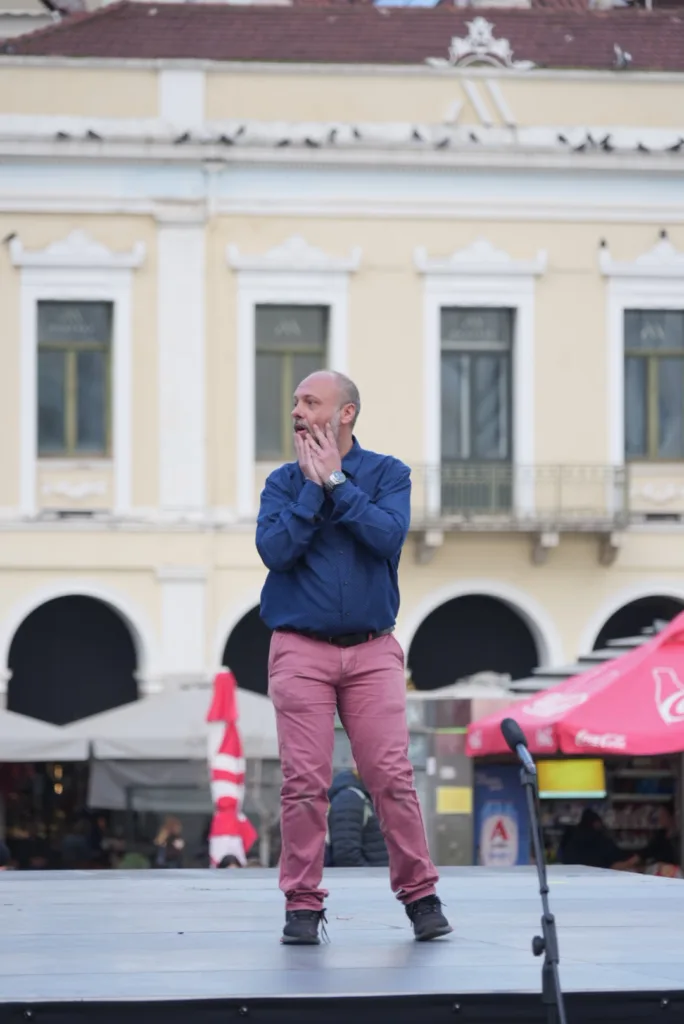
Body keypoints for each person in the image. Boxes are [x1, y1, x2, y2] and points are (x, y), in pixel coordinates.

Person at [256, 370, 451, 945]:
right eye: (295, 401)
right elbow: (274, 551)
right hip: (299, 649)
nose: (296, 410)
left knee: (391, 777)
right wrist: (312, 491)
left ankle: (421, 897)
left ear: (346, 414)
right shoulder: (282, 483)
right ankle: (302, 904)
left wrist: (338, 483)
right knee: (303, 784)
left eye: (310, 401)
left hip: (372, 651)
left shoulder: (388, 474)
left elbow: (387, 537)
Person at [325, 767, 389, 868]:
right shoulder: (349, 798)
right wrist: (373, 879)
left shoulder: (369, 796)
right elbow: (346, 854)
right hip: (366, 881)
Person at [559, 809, 639, 871]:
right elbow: (616, 859)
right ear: (596, 823)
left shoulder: (570, 838)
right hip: (599, 879)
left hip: (572, 879)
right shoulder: (601, 840)